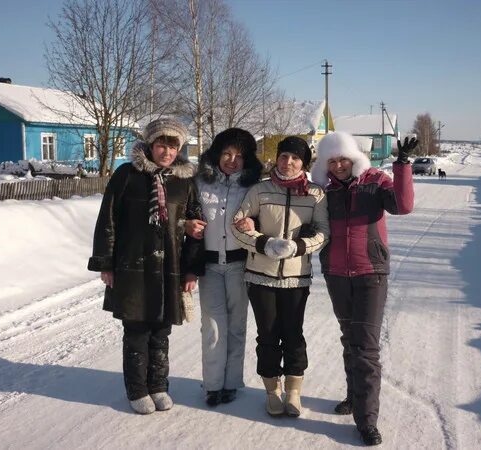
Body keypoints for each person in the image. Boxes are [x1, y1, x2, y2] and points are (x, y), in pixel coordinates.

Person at [87, 118, 205, 415]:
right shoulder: (127, 174)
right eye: (161, 145)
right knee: (136, 330)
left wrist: (191, 269)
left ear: (180, 148)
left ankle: (158, 386)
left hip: (169, 267)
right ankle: (137, 390)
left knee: (161, 331)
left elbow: (196, 227)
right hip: (133, 265)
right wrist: (105, 262)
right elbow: (108, 219)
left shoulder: (185, 180)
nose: (166, 151)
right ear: (150, 145)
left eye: (173, 145)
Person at [310, 132, 417, 446]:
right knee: (350, 338)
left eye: (343, 158)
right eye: (332, 160)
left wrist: (402, 165)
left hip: (371, 272)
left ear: (354, 158)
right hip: (336, 273)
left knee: (366, 347)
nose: (339, 165)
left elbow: (404, 205)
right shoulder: (323, 190)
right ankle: (354, 397)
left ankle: (366, 421)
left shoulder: (375, 181)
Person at [231, 136, 329, 417]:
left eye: (295, 158)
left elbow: (324, 232)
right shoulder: (259, 191)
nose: (288, 162)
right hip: (261, 276)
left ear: (304, 163)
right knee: (268, 335)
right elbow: (237, 226)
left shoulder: (315, 194)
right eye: (284, 156)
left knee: (294, 335)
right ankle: (272, 391)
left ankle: (294, 392)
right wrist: (264, 243)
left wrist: (298, 246)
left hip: (297, 277)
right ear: (277, 158)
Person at [188, 128, 263, 406]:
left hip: (240, 266)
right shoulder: (199, 184)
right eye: (227, 154)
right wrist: (186, 224)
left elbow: (264, 220)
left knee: (236, 327)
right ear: (216, 155)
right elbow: (184, 214)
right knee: (212, 328)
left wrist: (254, 225)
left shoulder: (253, 187)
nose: (232, 160)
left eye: (239, 156)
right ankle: (212, 385)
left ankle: (232, 383)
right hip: (209, 267)